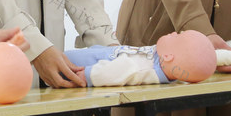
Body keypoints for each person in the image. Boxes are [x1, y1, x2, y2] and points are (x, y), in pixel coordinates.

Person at [63, 29, 217, 86]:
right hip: (88, 57)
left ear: (169, 56)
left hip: (74, 67)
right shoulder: (157, 60)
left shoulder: (146, 67)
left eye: (178, 36)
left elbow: (117, 71)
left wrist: (88, 75)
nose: (174, 32)